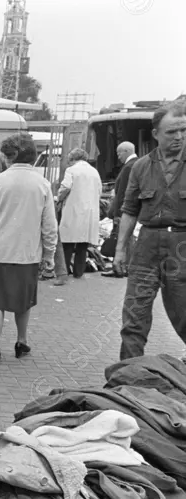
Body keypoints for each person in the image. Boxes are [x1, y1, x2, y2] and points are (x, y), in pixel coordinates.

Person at [0, 133, 58, 365]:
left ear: (7, 156)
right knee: (23, 300)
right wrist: (49, 253)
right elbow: (49, 225)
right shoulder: (43, 184)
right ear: (33, 155)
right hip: (26, 254)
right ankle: (21, 341)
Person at [113, 101, 186, 359]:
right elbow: (129, 210)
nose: (179, 137)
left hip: (181, 248)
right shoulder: (141, 167)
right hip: (146, 246)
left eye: (183, 130)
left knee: (183, 315)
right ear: (155, 133)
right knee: (134, 317)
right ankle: (127, 378)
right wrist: (120, 251)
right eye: (171, 132)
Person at [57, 148, 102, 279]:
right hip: (89, 211)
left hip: (74, 209)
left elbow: (65, 187)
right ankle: (78, 272)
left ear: (73, 159)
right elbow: (99, 191)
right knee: (83, 243)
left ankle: (64, 271)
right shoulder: (94, 172)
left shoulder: (71, 170)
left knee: (67, 242)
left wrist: (59, 198)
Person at [102, 141, 139, 278]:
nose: (118, 157)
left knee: (123, 238)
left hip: (123, 211)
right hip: (126, 210)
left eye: (119, 153)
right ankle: (124, 266)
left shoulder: (129, 166)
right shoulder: (135, 164)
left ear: (126, 151)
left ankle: (122, 267)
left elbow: (123, 192)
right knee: (126, 238)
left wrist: (116, 212)